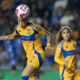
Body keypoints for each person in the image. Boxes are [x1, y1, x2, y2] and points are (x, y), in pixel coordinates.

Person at [0, 4, 51, 80]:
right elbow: (12, 36)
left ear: (27, 18)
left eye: (23, 20)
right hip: (30, 57)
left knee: (24, 76)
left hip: (38, 54)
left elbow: (48, 35)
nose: (20, 22)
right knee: (32, 78)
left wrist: (48, 44)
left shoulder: (35, 27)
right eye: (19, 19)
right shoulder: (17, 28)